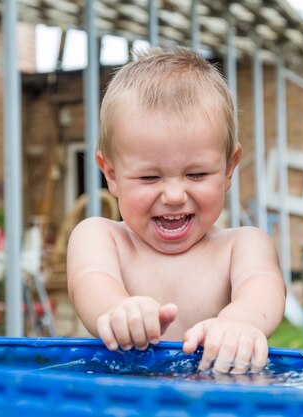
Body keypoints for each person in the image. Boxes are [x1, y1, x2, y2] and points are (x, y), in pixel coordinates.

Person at [67, 46, 286, 374]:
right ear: (111, 174)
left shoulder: (242, 246)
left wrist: (240, 322)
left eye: (196, 174)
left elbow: (263, 284)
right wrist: (118, 310)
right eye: (149, 177)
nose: (173, 195)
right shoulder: (101, 238)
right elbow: (90, 280)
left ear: (228, 168)